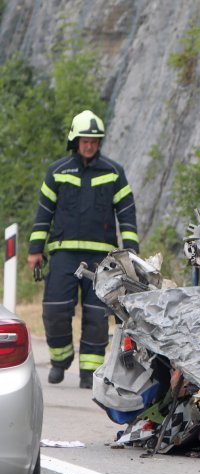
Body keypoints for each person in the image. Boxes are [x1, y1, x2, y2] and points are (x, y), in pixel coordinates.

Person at [27, 110, 139, 389]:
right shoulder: (57, 171)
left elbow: (127, 214)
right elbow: (43, 214)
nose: (89, 145)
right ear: (75, 141)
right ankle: (59, 360)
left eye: (94, 140)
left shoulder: (114, 172)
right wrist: (35, 249)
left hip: (100, 257)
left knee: (96, 314)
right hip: (63, 254)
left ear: (99, 142)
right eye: (85, 140)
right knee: (55, 310)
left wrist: (131, 252)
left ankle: (89, 370)